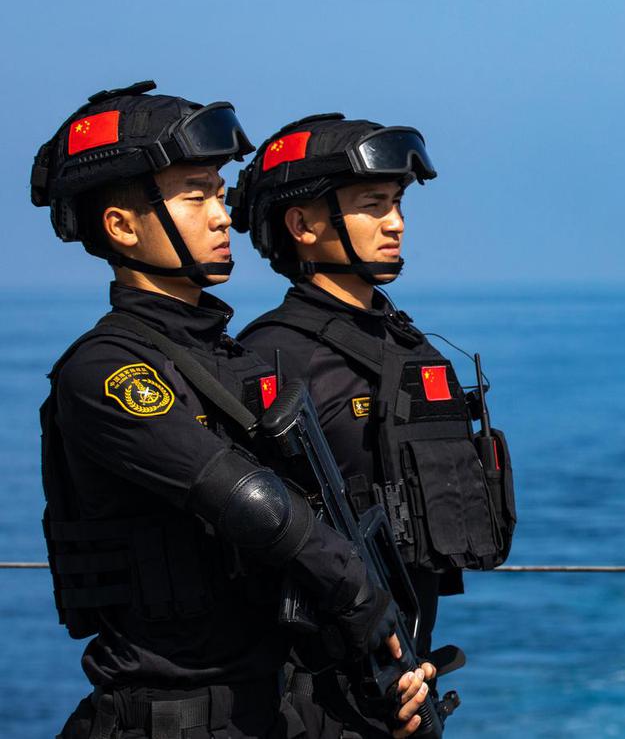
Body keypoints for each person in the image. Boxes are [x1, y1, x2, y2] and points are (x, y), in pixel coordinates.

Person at [30, 82, 435, 739]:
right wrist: (361, 594)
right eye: (195, 194)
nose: (220, 215)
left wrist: (379, 672)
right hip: (166, 718)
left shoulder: (238, 364)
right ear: (122, 225)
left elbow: (315, 522)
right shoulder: (105, 370)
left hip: (273, 710)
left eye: (219, 192)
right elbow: (248, 501)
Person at [228, 113, 516, 736]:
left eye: (396, 203)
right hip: (304, 697)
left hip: (407, 683)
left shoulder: (415, 353)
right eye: (372, 205)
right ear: (302, 225)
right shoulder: (272, 358)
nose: (396, 223)